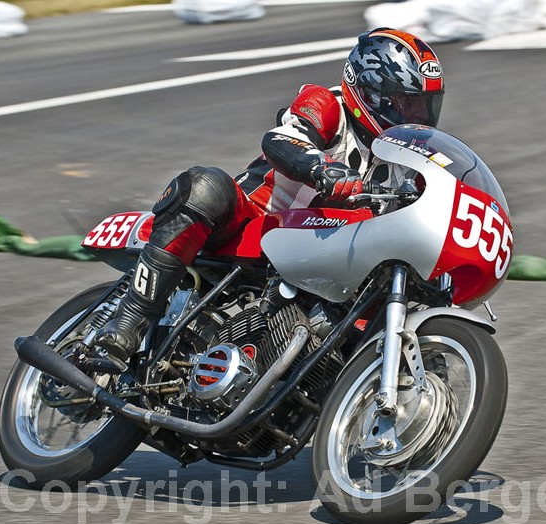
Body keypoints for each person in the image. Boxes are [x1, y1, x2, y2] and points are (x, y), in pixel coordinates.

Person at [95, 28, 445, 361]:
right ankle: (126, 324)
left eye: (425, 106)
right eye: (406, 103)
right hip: (255, 224)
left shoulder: (407, 157)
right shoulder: (327, 105)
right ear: (368, 93)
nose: (418, 117)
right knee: (204, 185)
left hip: (327, 254)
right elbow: (281, 140)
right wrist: (325, 170)